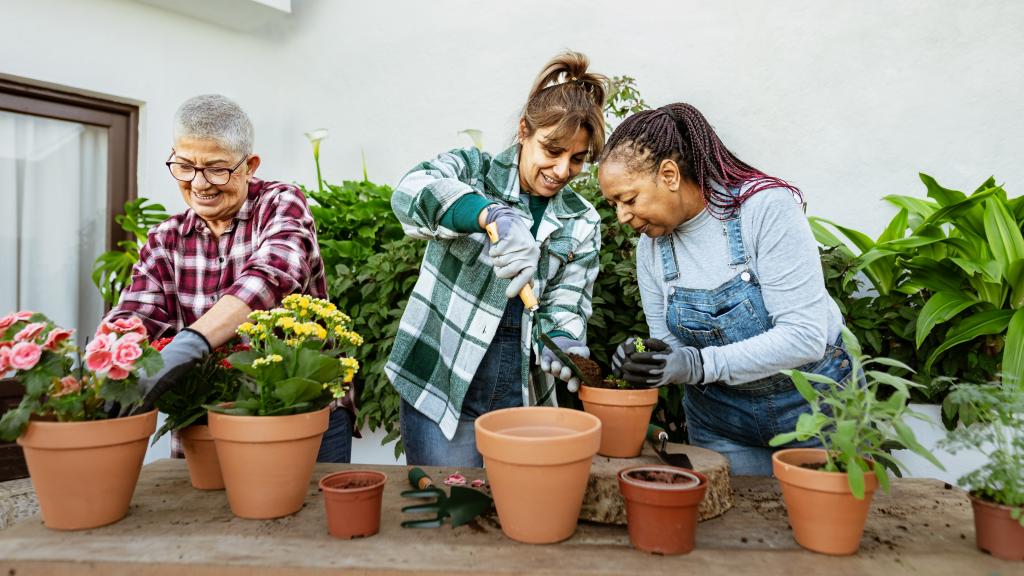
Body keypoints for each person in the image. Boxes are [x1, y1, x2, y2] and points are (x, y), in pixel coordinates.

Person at [598, 103, 852, 476]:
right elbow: (673, 347)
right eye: (614, 204)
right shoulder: (649, 248)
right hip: (721, 422)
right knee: (729, 528)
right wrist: (649, 359)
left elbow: (804, 337)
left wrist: (699, 363)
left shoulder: (764, 209)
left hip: (813, 411)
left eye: (629, 199)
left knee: (821, 529)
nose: (621, 215)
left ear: (669, 174)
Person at [104, 94, 353, 463]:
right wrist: (108, 362)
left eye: (217, 168)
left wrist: (187, 347)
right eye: (184, 166)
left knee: (311, 517)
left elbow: (271, 278)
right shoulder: (165, 239)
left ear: (249, 165)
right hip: (204, 424)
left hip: (302, 413)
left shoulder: (281, 204)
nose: (199, 183)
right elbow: (135, 313)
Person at [388, 52, 607, 466]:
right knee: (451, 514)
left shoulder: (582, 221)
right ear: (525, 131)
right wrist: (489, 214)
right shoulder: (472, 172)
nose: (562, 169)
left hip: (523, 396)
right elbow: (409, 192)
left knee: (518, 514)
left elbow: (567, 304)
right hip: (441, 383)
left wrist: (561, 342)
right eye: (553, 149)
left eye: (577, 159)